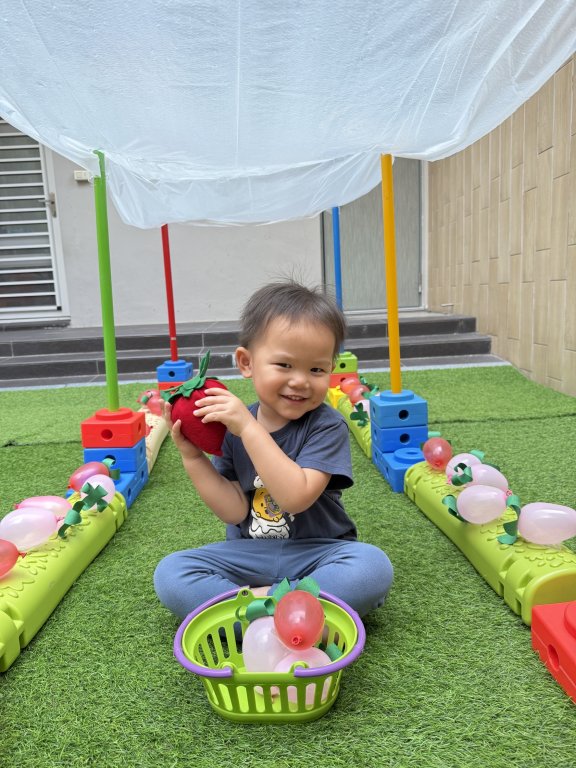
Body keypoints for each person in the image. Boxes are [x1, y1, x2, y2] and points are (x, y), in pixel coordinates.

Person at [153, 279, 393, 620]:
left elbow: (295, 497)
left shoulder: (326, 425)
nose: (300, 381)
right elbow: (234, 511)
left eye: (316, 369)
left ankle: (250, 612)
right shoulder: (235, 427)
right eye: (284, 365)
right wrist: (192, 457)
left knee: (370, 567)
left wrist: (249, 429)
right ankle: (300, 610)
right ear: (246, 362)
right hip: (248, 555)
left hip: (319, 552)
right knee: (171, 573)